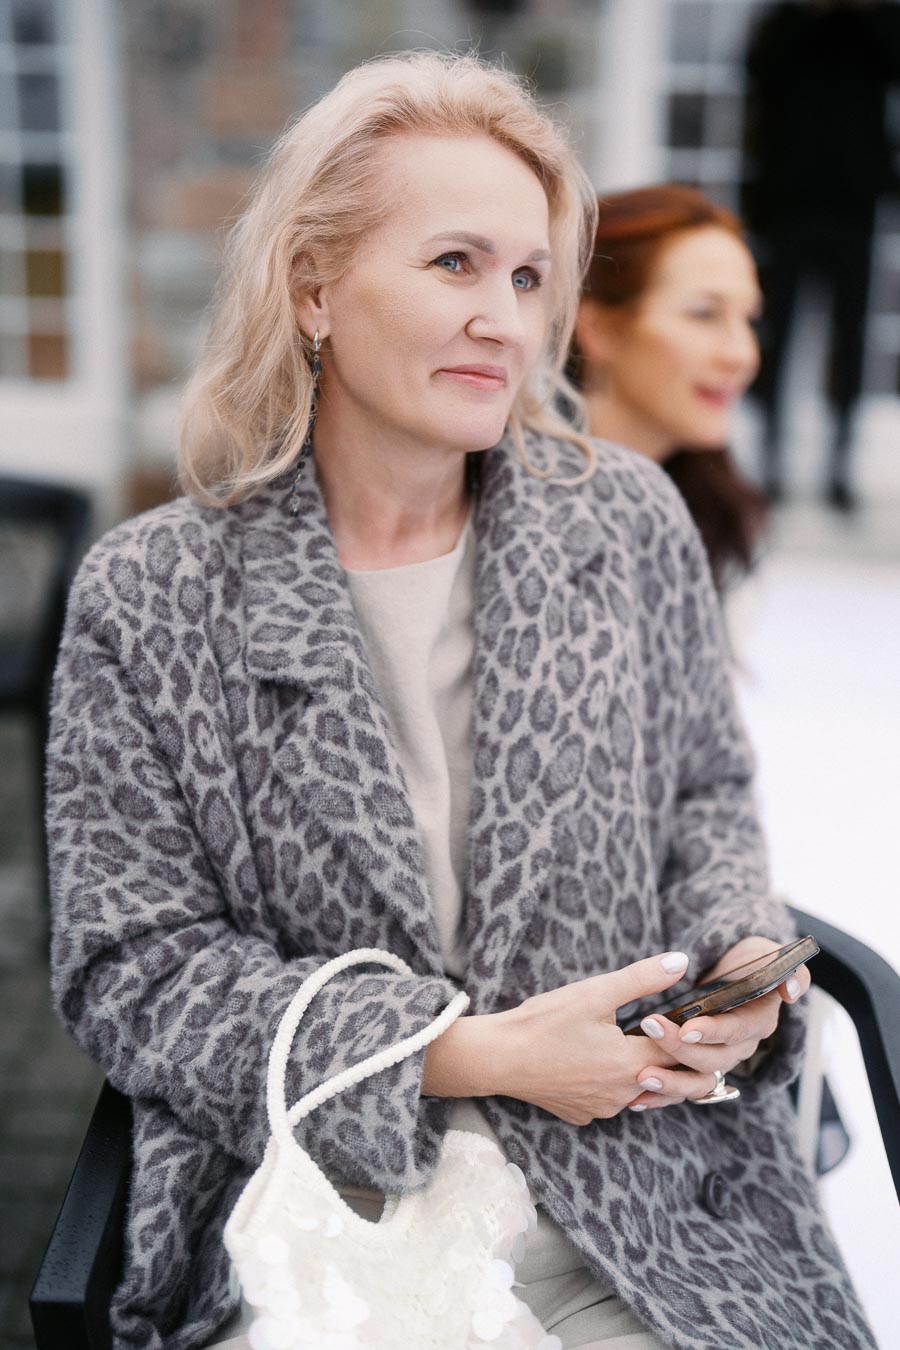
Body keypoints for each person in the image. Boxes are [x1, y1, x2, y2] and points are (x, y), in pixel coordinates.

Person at [46, 53, 874, 1350]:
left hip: (646, 1201)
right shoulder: (153, 593)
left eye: (530, 277)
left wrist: (733, 973)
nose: (506, 318)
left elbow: (705, 797)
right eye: (454, 264)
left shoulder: (627, 522)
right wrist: (469, 1054)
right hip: (324, 1222)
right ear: (312, 287)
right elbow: (132, 970)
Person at [742, 0, 900, 510]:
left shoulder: (876, 22)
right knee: (776, 332)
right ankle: (769, 457)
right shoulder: (784, 22)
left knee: (850, 337)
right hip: (787, 203)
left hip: (854, 206)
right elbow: (759, 75)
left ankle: (840, 462)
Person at [571, 184, 767, 596]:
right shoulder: (517, 509)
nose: (742, 355)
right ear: (599, 328)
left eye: (749, 319)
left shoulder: (714, 511)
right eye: (704, 314)